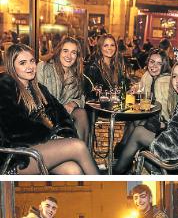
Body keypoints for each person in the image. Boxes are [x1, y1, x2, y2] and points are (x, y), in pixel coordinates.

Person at [0, 44, 99, 174]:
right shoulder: (4, 87)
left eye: (32, 61)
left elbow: (62, 116)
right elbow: (15, 129)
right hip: (16, 157)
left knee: (73, 170)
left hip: (39, 148)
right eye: (23, 63)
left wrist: (64, 134)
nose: (30, 67)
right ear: (12, 67)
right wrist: (51, 135)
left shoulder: (38, 88)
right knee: (78, 146)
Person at [113, 59, 178, 174]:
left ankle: (117, 172)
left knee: (139, 133)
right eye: (174, 76)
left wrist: (151, 149)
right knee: (140, 127)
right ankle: (121, 169)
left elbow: (174, 144)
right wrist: (162, 126)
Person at [115, 48, 175, 158]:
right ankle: (125, 154)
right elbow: (141, 87)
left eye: (159, 63)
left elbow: (165, 110)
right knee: (134, 120)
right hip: (151, 117)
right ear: (148, 62)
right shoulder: (148, 75)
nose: (154, 66)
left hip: (163, 124)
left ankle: (122, 155)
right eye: (152, 62)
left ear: (164, 65)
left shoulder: (166, 82)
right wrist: (135, 88)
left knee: (136, 123)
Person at [36, 36, 90, 141]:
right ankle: (81, 154)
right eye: (65, 51)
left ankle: (80, 152)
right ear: (59, 52)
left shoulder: (76, 76)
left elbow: (81, 97)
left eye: (73, 52)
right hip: (44, 117)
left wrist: (73, 103)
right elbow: (37, 96)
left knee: (81, 113)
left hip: (64, 118)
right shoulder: (43, 67)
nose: (69, 56)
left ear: (77, 56)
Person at [83, 33, 130, 100]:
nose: (109, 48)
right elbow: (87, 94)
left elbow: (126, 85)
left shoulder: (118, 65)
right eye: (105, 45)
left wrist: (131, 88)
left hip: (117, 106)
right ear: (100, 48)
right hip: (99, 107)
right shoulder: (92, 68)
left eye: (112, 45)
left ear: (116, 47)